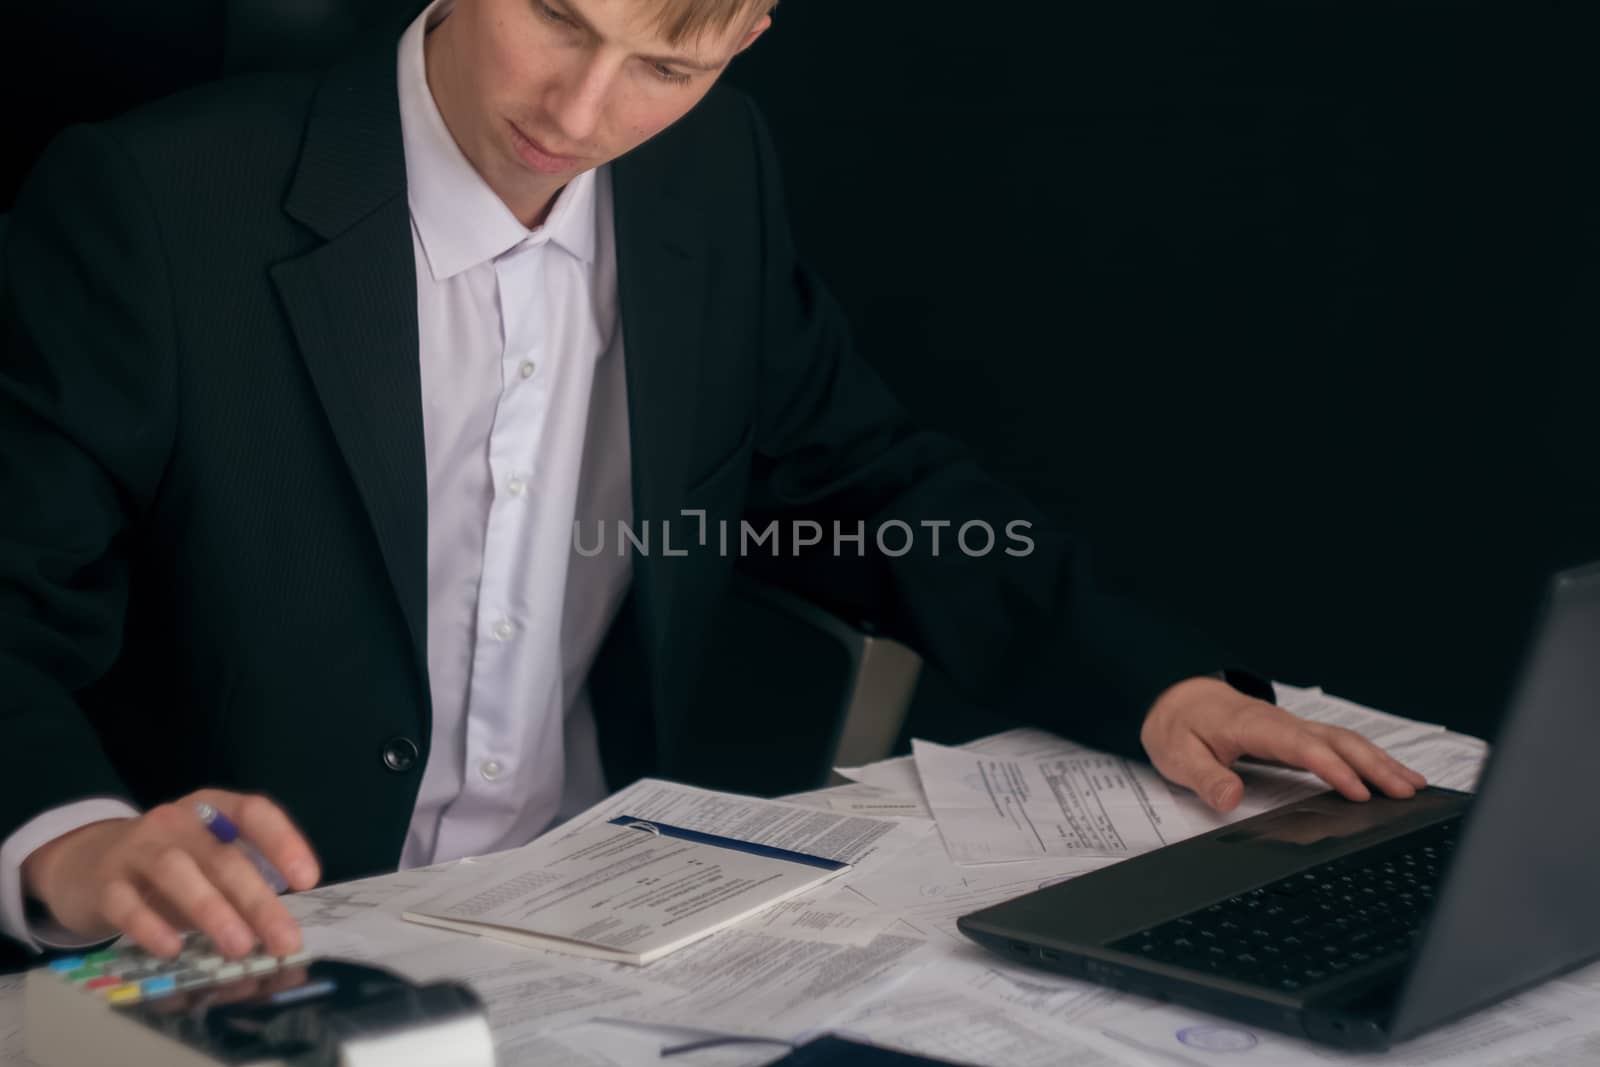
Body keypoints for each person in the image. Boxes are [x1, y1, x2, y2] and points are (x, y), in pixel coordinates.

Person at [0, 0, 1426, 963]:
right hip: (268, 950)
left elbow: (855, 477)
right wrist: (73, 841)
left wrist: (1155, 684)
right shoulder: (153, 206)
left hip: (605, 942)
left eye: (666, 68)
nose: (581, 108)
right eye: (557, 15)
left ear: (747, 32)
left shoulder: (706, 175)